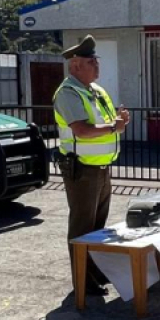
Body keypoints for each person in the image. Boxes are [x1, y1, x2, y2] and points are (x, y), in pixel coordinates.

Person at [53, 35, 131, 296]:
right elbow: (82, 130)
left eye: (96, 61)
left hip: (100, 168)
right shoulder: (68, 93)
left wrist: (119, 120)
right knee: (82, 227)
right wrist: (113, 127)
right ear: (75, 65)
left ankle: (94, 272)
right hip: (82, 170)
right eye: (91, 62)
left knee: (97, 227)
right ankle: (83, 281)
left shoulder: (96, 90)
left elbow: (107, 123)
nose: (97, 65)